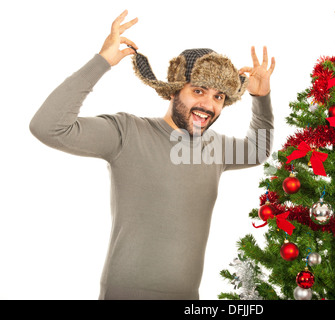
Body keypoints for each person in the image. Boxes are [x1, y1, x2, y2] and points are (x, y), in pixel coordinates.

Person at [29, 10, 275, 300]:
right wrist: (102, 62)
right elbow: (48, 127)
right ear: (173, 91)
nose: (208, 105)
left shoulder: (216, 148)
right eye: (198, 91)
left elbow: (259, 149)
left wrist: (261, 98)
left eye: (218, 96)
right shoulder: (126, 133)